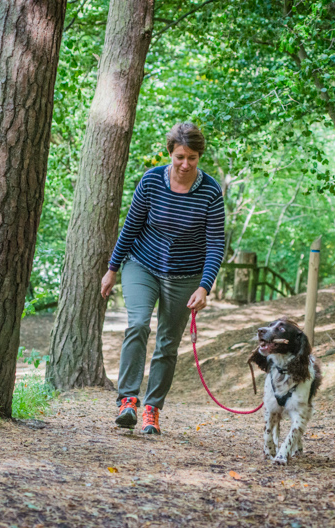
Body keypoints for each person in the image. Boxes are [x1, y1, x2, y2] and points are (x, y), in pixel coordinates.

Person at [100, 122, 225, 434]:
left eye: (192, 158)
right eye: (180, 156)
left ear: (199, 157)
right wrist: (112, 269)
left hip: (186, 275)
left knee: (168, 344)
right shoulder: (152, 181)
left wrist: (204, 286)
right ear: (170, 152)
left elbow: (215, 243)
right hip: (142, 264)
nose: (185, 164)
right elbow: (130, 227)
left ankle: (152, 409)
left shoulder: (210, 191)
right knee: (138, 323)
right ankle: (127, 400)